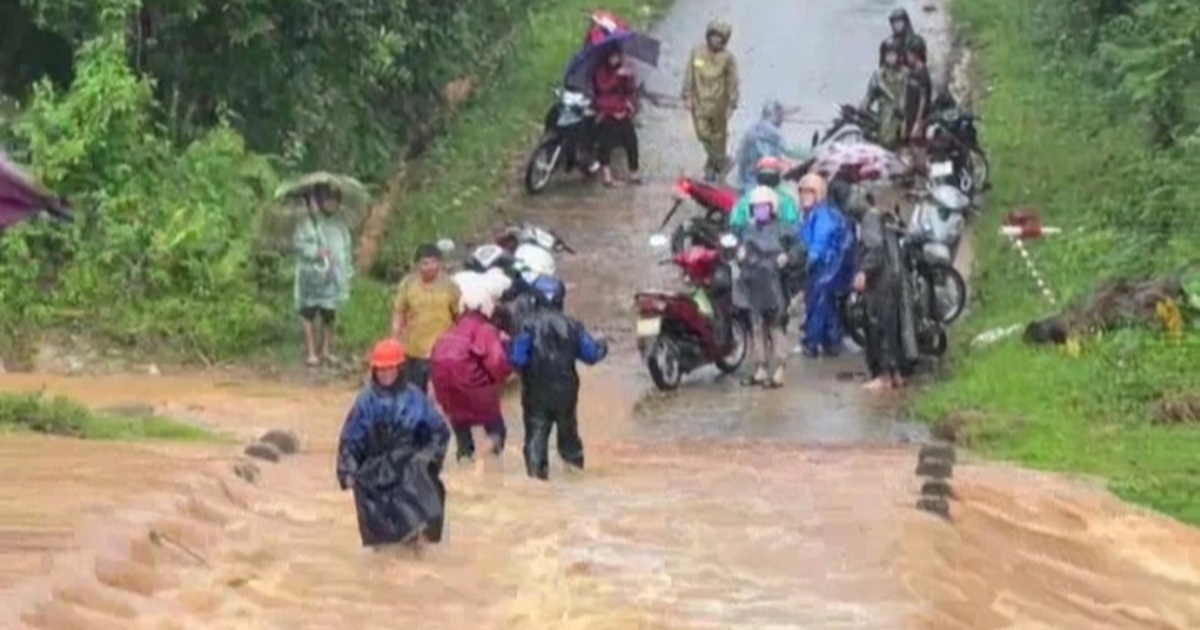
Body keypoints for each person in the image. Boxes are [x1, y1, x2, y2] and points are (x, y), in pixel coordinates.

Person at [336, 339, 451, 548]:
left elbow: (439, 432)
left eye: (389, 368)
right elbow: (350, 440)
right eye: (380, 369)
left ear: (400, 368)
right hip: (375, 477)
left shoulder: (415, 399)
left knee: (417, 535)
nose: (384, 373)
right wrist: (348, 471)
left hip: (410, 473)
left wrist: (428, 459)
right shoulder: (365, 401)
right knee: (384, 545)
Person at [507, 275, 608, 480]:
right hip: (566, 393)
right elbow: (591, 355)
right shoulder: (572, 325)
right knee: (569, 439)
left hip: (535, 393)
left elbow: (516, 359)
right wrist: (603, 345)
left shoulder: (527, 325)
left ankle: (537, 484)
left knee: (536, 439)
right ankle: (576, 480)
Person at [429, 278, 512, 464]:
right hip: (472, 386)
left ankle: (464, 463)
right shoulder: (485, 329)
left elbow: (434, 359)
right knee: (497, 430)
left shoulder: (451, 330)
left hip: (445, 388)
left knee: (462, 432)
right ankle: (484, 460)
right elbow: (497, 363)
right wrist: (505, 375)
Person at [732, 186, 801, 388]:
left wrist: (787, 257)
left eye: (764, 206)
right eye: (757, 207)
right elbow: (735, 246)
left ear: (772, 207)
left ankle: (780, 369)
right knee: (756, 327)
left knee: (776, 325)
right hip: (752, 283)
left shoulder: (784, 228)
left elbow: (799, 248)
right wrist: (739, 253)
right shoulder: (748, 230)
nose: (761, 210)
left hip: (775, 284)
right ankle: (760, 368)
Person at [851, 201, 919, 390]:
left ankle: (884, 376)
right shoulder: (883, 219)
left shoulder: (869, 220)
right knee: (892, 329)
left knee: (879, 329)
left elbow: (875, 250)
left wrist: (863, 271)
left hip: (880, 284)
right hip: (893, 279)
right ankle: (895, 373)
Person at [293, 184, 354, 368]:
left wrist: (347, 271)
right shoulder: (307, 223)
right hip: (311, 275)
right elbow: (298, 245)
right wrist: (315, 252)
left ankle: (326, 349)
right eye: (327, 199)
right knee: (308, 312)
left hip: (332, 276)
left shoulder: (340, 224)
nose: (331, 204)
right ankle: (311, 352)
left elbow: (346, 248)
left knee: (329, 313)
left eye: (334, 200)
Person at [391, 244, 461, 394]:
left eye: (433, 262)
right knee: (414, 394)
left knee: (441, 395)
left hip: (442, 352)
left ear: (440, 263)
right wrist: (395, 337)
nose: (429, 267)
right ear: (417, 265)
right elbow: (399, 311)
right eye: (424, 263)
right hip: (414, 351)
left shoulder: (450, 286)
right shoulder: (408, 284)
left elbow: (459, 317)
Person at [796, 173, 849, 358]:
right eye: (802, 192)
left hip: (826, 267)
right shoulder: (809, 215)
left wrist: (808, 260)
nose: (804, 197)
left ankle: (811, 343)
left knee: (817, 304)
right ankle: (832, 342)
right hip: (822, 267)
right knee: (826, 305)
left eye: (809, 193)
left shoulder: (823, 215)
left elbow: (819, 242)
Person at [681, 19, 740, 183]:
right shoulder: (697, 52)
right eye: (713, 36)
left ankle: (711, 168)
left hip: (719, 104)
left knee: (719, 138)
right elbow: (689, 74)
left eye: (720, 37)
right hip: (700, 102)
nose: (716, 40)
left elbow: (733, 82)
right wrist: (687, 95)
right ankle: (722, 161)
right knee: (703, 134)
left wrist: (732, 104)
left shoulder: (728, 58)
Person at [592, 47, 641, 186]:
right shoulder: (600, 70)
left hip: (621, 108)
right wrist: (616, 76)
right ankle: (607, 175)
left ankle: (633, 172)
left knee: (631, 140)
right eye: (612, 57)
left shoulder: (622, 69)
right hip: (606, 109)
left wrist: (629, 77)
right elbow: (602, 88)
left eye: (617, 56)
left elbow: (629, 91)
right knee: (605, 143)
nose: (615, 59)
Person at [734, 100, 808, 193]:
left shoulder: (754, 128)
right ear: (775, 115)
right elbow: (790, 150)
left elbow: (738, 156)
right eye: (781, 115)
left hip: (743, 181)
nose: (783, 118)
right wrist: (812, 154)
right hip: (758, 181)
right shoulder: (771, 131)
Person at [861, 41, 910, 150]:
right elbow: (868, 97)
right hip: (884, 122)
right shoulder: (878, 76)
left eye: (893, 54)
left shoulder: (906, 75)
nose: (891, 57)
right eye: (888, 54)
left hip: (903, 120)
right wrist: (865, 107)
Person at [731, 157, 800, 230]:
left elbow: (792, 225)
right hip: (751, 237)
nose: (767, 176)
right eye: (764, 171)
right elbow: (736, 224)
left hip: (776, 237)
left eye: (771, 171)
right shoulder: (746, 199)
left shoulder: (786, 200)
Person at [905, 48, 933, 143]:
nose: (907, 57)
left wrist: (918, 122)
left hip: (919, 118)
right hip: (910, 116)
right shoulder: (911, 72)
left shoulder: (923, 74)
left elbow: (923, 100)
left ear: (915, 55)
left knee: (917, 145)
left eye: (909, 55)